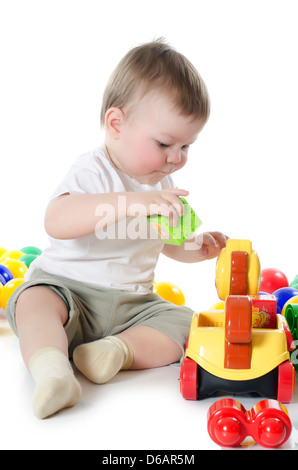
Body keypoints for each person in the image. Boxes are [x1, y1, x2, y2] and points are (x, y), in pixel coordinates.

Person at [6, 39, 228, 419]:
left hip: (132, 306)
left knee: (184, 323)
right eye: (164, 143)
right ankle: (53, 372)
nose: (176, 159)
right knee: (32, 303)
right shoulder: (93, 170)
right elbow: (56, 221)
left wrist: (197, 247)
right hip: (67, 291)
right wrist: (134, 203)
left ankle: (113, 352)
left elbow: (168, 244)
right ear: (116, 124)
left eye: (187, 146)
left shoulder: (160, 184)